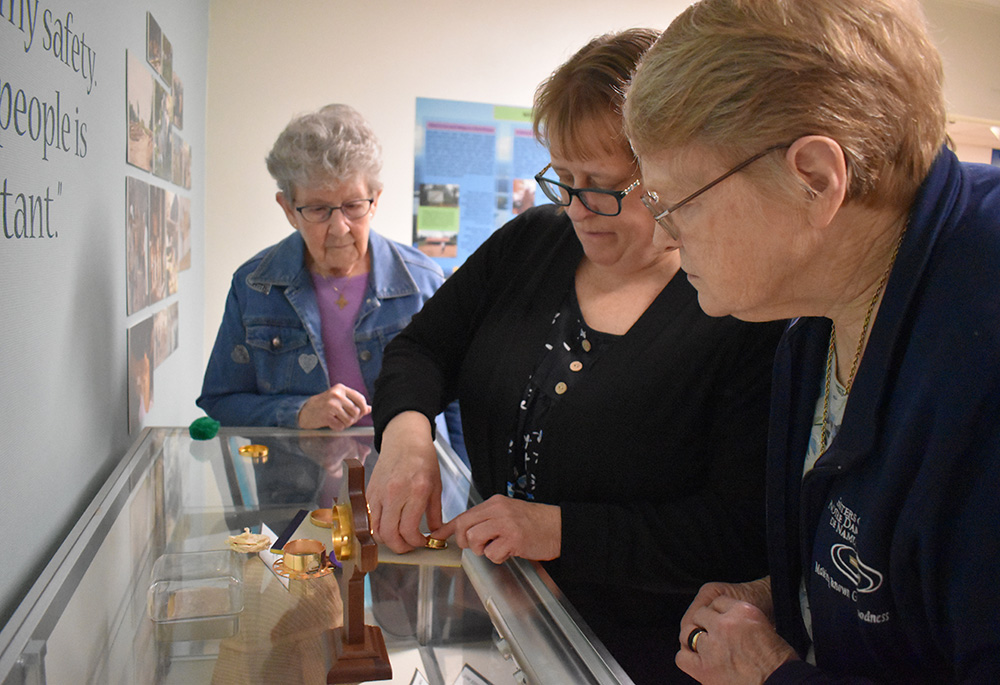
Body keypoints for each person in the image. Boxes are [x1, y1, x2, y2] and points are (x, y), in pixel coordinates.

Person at [367, 30, 786, 684]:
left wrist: (557, 529)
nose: (579, 209)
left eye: (606, 186)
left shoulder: (734, 307)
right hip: (505, 615)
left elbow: (732, 530)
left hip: (643, 650)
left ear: (671, 174)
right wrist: (407, 431)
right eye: (565, 179)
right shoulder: (532, 241)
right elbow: (422, 347)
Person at [623, 0, 1000, 682]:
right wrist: (792, 592)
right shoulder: (821, 300)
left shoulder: (982, 346)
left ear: (815, 179)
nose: (663, 235)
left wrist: (769, 673)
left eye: (677, 202)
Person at [198, 104, 462, 453]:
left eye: (353, 205)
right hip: (295, 495)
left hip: (408, 492)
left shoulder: (423, 283)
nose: (339, 228)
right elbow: (221, 402)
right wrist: (300, 411)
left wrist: (463, 491)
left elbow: (459, 403)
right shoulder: (254, 287)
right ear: (289, 209)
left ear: (376, 200)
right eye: (318, 209)